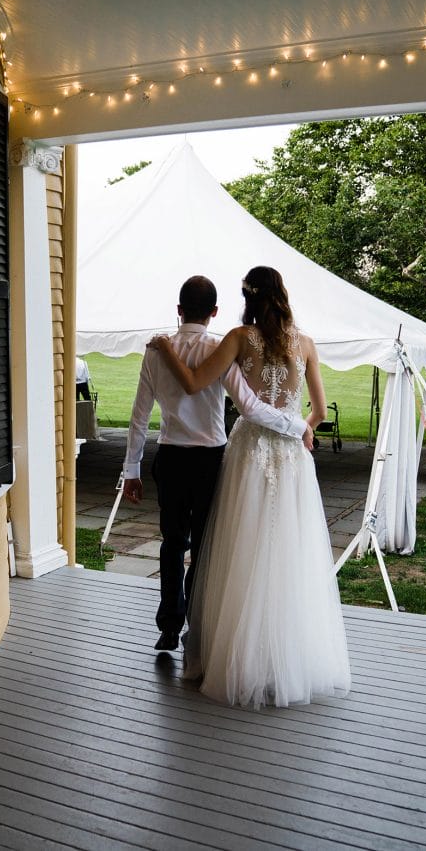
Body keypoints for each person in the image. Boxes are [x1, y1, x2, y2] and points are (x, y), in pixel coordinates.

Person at [148, 265, 351, 709]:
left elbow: (195, 382)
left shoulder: (240, 338)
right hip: (292, 458)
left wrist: (166, 347)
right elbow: (317, 409)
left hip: (248, 452)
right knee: (288, 551)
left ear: (248, 299)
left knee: (239, 548)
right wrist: (302, 431)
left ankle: (234, 656)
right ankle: (286, 659)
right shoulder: (307, 344)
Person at [122, 275, 312, 653]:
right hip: (210, 460)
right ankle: (200, 624)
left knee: (172, 544)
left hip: (171, 457)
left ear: (179, 310)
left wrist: (132, 470)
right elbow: (251, 405)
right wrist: (298, 427)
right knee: (206, 546)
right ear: (214, 312)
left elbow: (139, 415)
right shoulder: (221, 347)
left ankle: (168, 627)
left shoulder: (156, 350)